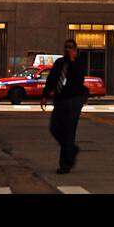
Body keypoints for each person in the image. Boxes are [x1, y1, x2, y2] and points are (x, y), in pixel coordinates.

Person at [41, 38, 88, 174]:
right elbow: (52, 80)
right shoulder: (59, 63)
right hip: (60, 100)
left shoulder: (79, 63)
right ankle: (71, 149)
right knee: (54, 128)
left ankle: (65, 165)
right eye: (66, 47)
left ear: (75, 49)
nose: (68, 49)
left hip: (74, 101)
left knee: (68, 132)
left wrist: (73, 62)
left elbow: (79, 80)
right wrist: (45, 96)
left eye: (71, 47)